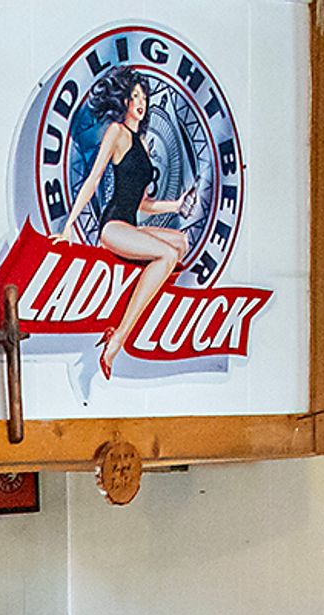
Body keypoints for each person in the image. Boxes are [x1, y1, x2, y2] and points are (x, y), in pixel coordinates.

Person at [74, 67, 202, 380]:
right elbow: (93, 179)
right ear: (123, 100)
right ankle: (118, 337)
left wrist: (176, 205)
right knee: (167, 255)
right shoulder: (116, 132)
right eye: (134, 96)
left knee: (181, 244)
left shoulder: (142, 145)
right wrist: (69, 227)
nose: (140, 102)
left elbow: (143, 203)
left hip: (131, 224)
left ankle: (142, 299)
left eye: (143, 96)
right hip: (113, 227)